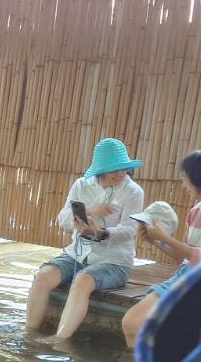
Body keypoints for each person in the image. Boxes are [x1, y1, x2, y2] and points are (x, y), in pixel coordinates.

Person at [122, 149, 201, 349]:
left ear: (199, 179)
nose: (183, 185)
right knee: (133, 322)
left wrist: (164, 237)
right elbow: (186, 259)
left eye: (185, 179)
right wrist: (156, 242)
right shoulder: (196, 211)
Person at [26, 138, 145, 341]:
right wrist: (89, 211)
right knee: (42, 276)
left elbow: (129, 230)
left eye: (124, 168)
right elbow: (62, 219)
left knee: (82, 280)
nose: (121, 173)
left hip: (113, 260)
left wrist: (100, 233)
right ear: (101, 169)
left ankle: (60, 339)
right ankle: (29, 334)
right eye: (114, 169)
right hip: (77, 253)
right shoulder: (81, 185)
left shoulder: (133, 191)